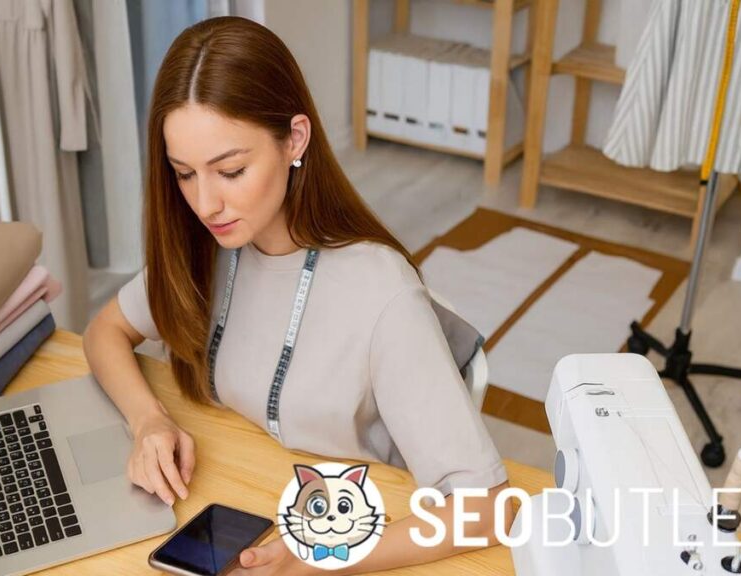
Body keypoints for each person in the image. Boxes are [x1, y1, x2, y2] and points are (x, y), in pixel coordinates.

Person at [83, 16, 512, 575]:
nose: (205, 202)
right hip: (235, 506)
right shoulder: (201, 246)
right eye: (183, 174)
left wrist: (324, 558)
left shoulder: (382, 295)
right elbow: (103, 332)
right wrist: (148, 421)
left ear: (295, 140)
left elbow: (488, 510)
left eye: (231, 170)